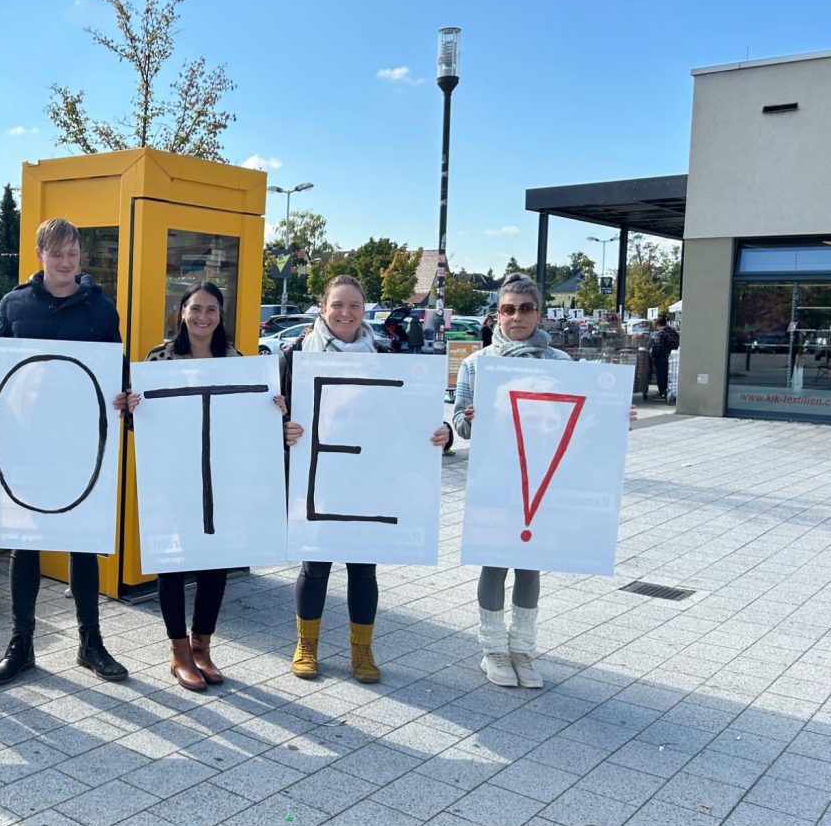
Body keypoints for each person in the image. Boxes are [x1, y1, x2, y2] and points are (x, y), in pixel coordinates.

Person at [436, 272, 633, 690]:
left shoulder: (561, 364)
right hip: (496, 479)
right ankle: (493, 650)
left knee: (531, 564)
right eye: (508, 309)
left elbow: (583, 419)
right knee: (494, 562)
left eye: (525, 309)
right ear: (497, 315)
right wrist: (469, 421)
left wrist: (615, 418)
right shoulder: (478, 364)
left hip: (545, 479)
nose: (517, 317)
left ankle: (523, 647)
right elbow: (459, 424)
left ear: (539, 313)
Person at [0, 217, 133, 687]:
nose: (65, 262)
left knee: (82, 543)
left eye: (73, 253)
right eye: (57, 253)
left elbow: (118, 371)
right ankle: (20, 645)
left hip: (82, 444)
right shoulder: (14, 305)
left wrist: (126, 395)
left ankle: (91, 644)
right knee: (24, 545)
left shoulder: (101, 309)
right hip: (26, 445)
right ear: (39, 255)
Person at [133, 281, 299, 691]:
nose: (202, 317)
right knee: (172, 563)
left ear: (220, 316)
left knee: (215, 562)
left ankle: (202, 646)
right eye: (195, 309)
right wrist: (134, 408)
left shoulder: (236, 360)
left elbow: (249, 426)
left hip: (221, 477)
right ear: (182, 313)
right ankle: (178, 651)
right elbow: (142, 426)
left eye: (211, 310)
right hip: (174, 478)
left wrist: (272, 411)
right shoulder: (160, 358)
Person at [283, 275, 445, 683]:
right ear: (323, 308)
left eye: (354, 305)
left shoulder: (384, 354)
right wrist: (282, 429)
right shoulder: (297, 355)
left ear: (365, 309)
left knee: (362, 566)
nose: (345, 313)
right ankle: (307, 645)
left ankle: (362, 650)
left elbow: (410, 413)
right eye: (337, 304)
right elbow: (273, 410)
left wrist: (440, 428)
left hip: (368, 476)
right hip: (318, 475)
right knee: (315, 565)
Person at [647, 316, 680, 401]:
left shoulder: (660, 333)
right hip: (672, 357)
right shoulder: (673, 332)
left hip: (661, 358)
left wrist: (653, 355)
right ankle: (668, 391)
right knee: (669, 376)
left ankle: (662, 392)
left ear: (658, 325)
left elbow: (658, 347)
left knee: (661, 375)